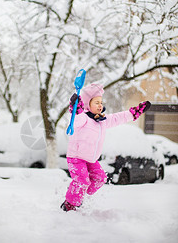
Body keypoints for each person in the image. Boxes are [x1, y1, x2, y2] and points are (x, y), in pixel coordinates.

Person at [61, 83, 151, 212]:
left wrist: (133, 113)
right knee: (82, 181)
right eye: (96, 102)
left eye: (101, 102)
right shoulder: (83, 118)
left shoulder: (102, 120)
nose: (100, 105)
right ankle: (69, 205)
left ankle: (79, 196)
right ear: (87, 104)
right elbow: (75, 121)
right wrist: (77, 109)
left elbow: (117, 118)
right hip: (76, 158)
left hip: (91, 159)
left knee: (100, 178)